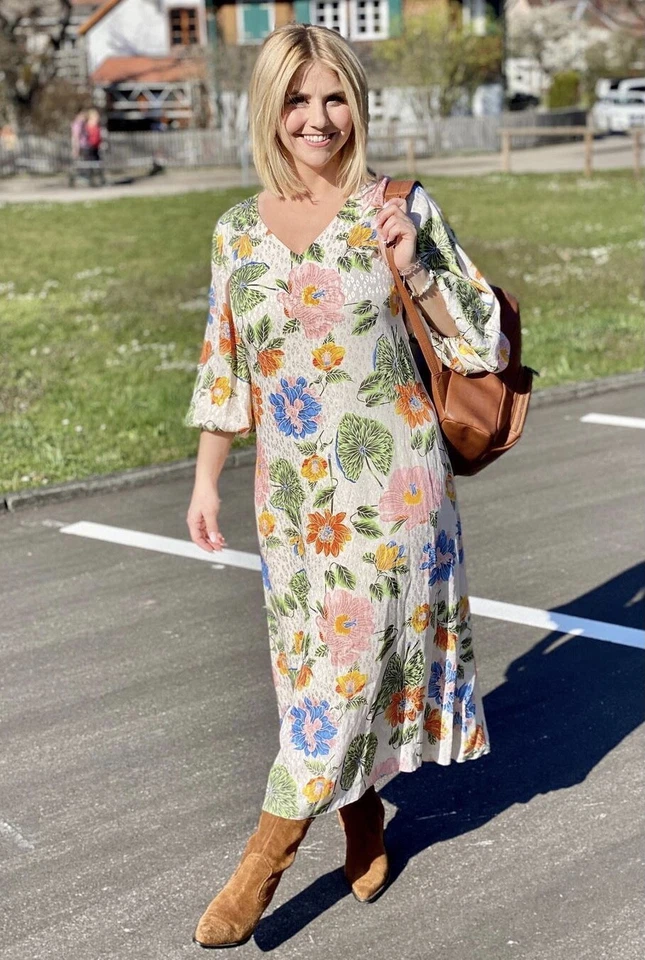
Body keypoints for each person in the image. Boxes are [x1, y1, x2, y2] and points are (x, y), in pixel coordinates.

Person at [184, 22, 509, 950]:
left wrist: (418, 271)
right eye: (296, 99)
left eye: (334, 98)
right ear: (269, 109)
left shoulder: (395, 208)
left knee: (349, 665)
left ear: (356, 107)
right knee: (310, 673)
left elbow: (480, 344)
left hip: (392, 490)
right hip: (290, 501)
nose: (317, 118)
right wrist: (206, 482)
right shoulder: (236, 231)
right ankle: (362, 818)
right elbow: (225, 368)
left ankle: (263, 861)